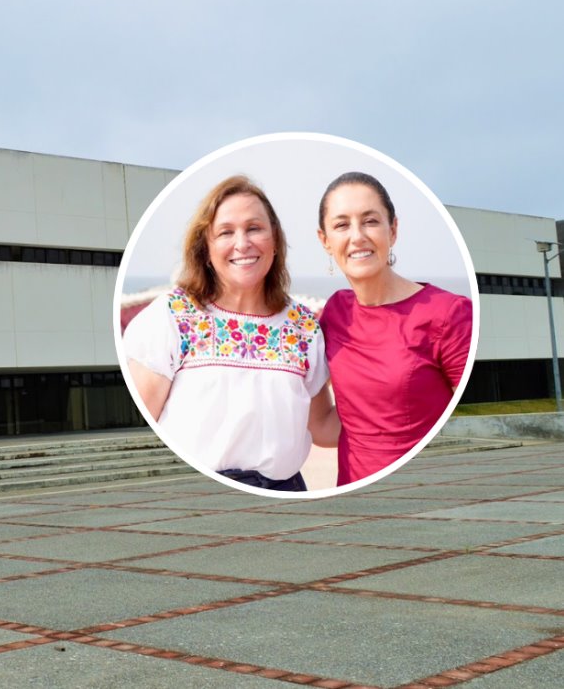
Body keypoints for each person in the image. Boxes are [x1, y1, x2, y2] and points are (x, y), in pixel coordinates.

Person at [124, 175, 336, 492]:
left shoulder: (304, 328)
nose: (242, 243)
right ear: (206, 248)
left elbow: (321, 427)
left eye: (254, 228)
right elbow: (142, 432)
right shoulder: (171, 316)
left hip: (285, 493)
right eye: (226, 232)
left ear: (275, 240)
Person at [316, 171, 473, 485]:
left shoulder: (448, 313)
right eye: (342, 224)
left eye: (370, 221)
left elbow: (465, 429)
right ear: (325, 240)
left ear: (393, 229)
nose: (357, 236)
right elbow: (324, 427)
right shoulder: (334, 312)